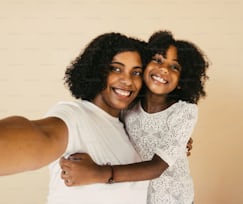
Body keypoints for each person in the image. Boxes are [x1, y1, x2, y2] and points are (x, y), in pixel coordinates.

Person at [60, 30, 209, 204]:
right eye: (158, 60)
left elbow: (156, 167)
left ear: (182, 80)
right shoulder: (128, 106)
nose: (163, 69)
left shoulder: (184, 111)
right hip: (134, 196)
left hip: (172, 199)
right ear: (144, 66)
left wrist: (99, 173)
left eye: (174, 67)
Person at [0, 32, 150, 204]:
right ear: (96, 71)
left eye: (136, 73)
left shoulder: (129, 129)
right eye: (116, 69)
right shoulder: (74, 116)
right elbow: (39, 134)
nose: (128, 80)